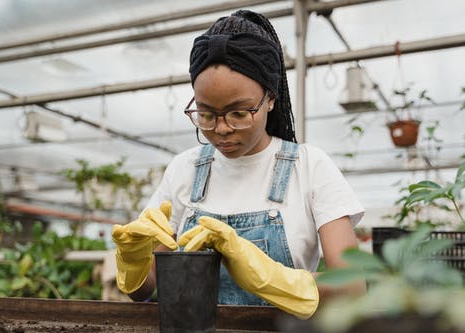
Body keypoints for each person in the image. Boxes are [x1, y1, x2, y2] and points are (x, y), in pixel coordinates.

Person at [112, 9, 365, 319]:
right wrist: (134, 261)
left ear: (270, 98)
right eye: (206, 114)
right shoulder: (185, 169)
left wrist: (268, 276)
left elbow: (352, 287)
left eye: (239, 113)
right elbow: (145, 290)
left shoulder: (309, 167)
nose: (221, 129)